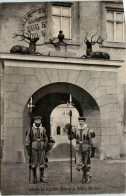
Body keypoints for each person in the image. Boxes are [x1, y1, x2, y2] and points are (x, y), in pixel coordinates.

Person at [66, 116, 95, 184]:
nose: (80, 122)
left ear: (84, 122)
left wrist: (93, 149)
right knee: (79, 164)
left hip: (86, 148)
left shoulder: (88, 130)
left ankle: (85, 176)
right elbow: (70, 138)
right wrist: (69, 132)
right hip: (78, 148)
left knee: (86, 164)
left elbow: (91, 140)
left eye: (82, 121)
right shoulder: (76, 129)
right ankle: (87, 174)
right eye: (79, 121)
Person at [26, 116, 48, 184]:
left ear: (40, 121)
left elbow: (46, 138)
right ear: (34, 121)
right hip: (34, 148)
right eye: (36, 120)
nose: (38, 122)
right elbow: (28, 139)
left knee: (42, 163)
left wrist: (45, 144)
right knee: (34, 163)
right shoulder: (31, 129)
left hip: (41, 148)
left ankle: (42, 177)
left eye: (39, 120)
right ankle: (35, 178)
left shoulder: (43, 129)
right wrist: (28, 149)